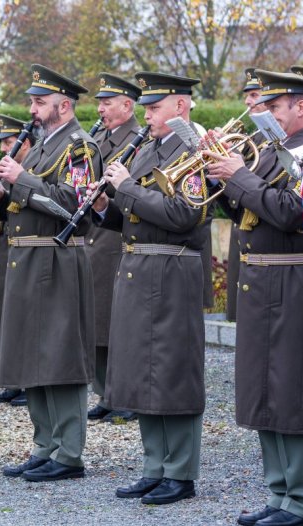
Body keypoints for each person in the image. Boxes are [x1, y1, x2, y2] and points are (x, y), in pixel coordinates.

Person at [206, 70, 303, 526]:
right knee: (263, 390)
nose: (265, 115)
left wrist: (240, 177)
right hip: (260, 280)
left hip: (295, 280)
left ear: (300, 107)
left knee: (292, 390)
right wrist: (223, 173)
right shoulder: (275, 154)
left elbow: (297, 215)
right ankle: (279, 493)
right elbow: (242, 211)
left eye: (273, 107)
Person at [91, 72, 208, 505]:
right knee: (142, 370)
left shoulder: (195, 150)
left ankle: (180, 472)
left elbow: (183, 215)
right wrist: (105, 204)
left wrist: (124, 189)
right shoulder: (148, 149)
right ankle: (154, 465)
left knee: (172, 370)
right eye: (145, 108)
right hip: (139, 269)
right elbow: (131, 214)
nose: (147, 116)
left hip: (172, 270)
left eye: (154, 108)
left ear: (180, 106)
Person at [0, 64, 101, 482]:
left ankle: (69, 453)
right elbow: (24, 200)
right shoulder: (38, 144)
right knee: (30, 355)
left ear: (64, 105)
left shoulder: (80, 147)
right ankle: (44, 444)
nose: (32, 109)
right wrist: (0, 194)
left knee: (60, 356)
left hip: (57, 258)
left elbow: (75, 207)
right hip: (26, 259)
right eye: (32, 101)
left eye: (40, 102)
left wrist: (22, 179)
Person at [86, 73, 143, 424]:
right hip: (95, 233)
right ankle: (105, 391)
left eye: (107, 103)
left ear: (128, 105)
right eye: (99, 103)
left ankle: (126, 394)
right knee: (97, 322)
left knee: (118, 324)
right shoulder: (98, 139)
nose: (101, 109)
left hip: (116, 238)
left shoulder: (136, 140)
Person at [0, 114, 35, 407]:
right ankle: (13, 380)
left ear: (26, 142)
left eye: (11, 142)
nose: (6, 148)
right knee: (7, 315)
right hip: (8, 243)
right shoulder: (11, 169)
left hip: (28, 245)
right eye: (4, 142)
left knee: (27, 318)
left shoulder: (31, 168)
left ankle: (28, 382)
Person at [225, 68, 268, 322]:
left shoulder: (274, 139)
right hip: (245, 236)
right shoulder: (253, 136)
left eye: (254, 95)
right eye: (247, 96)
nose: (247, 102)